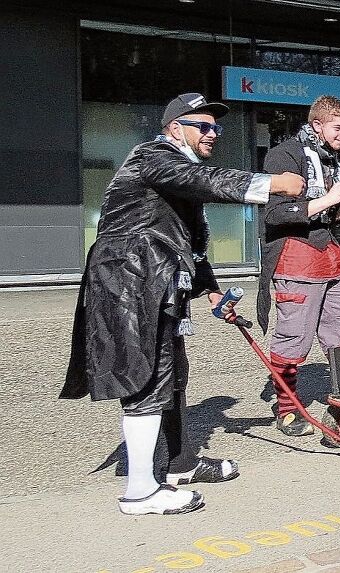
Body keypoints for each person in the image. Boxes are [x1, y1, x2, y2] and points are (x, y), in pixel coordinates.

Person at [61, 93, 305, 515]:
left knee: (172, 376)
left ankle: (180, 465)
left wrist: (211, 289)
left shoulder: (176, 173)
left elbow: (189, 241)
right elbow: (205, 182)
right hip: (129, 283)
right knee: (146, 377)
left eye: (216, 127)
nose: (213, 134)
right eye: (203, 126)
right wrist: (271, 185)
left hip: (154, 281)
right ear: (176, 129)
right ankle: (139, 491)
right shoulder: (153, 156)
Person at [257, 95, 340, 437]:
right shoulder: (283, 155)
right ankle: (287, 408)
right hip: (295, 258)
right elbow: (276, 214)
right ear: (317, 125)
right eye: (338, 128)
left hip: (331, 258)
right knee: (294, 338)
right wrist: (332, 198)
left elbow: (322, 211)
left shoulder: (329, 158)